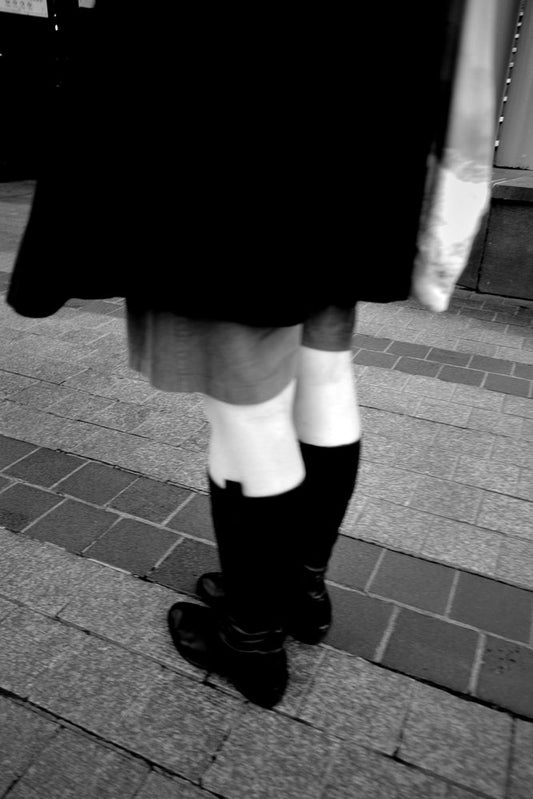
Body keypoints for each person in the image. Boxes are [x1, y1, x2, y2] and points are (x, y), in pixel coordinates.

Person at [7, 0, 497, 707]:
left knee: (248, 416)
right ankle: (298, 590)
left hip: (225, 170)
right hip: (350, 170)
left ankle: (251, 636)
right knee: (325, 383)